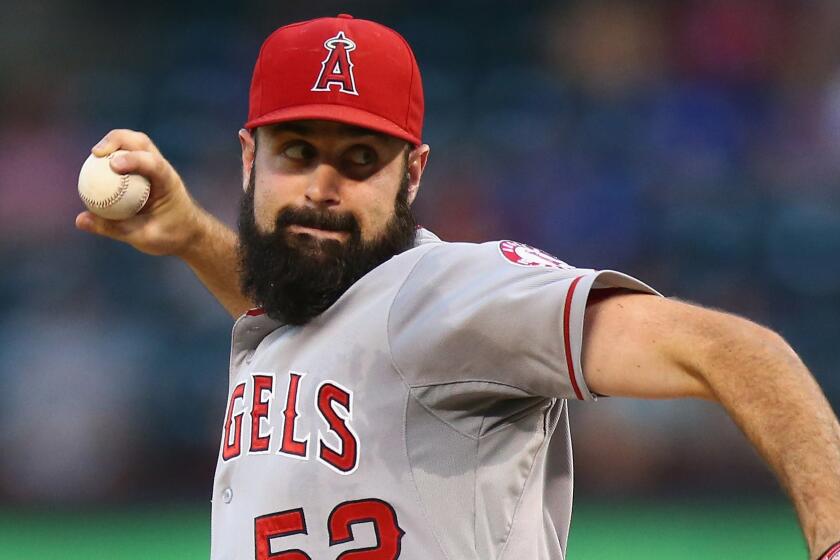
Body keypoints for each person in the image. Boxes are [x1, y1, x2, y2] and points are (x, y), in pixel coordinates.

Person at [76, 14, 840, 560]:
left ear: (413, 172)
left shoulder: (449, 294)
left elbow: (736, 350)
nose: (321, 186)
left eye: (360, 159)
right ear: (250, 158)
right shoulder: (304, 312)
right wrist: (192, 240)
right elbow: (305, 314)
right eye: (297, 151)